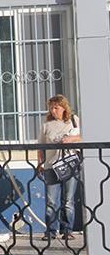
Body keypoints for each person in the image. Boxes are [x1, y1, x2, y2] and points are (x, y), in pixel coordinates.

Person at [37, 95, 81, 241]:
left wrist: (70, 139)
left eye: (56, 107)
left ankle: (67, 230)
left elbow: (84, 137)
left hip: (70, 165)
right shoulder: (46, 125)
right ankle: (51, 231)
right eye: (51, 108)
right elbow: (40, 146)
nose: (53, 110)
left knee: (68, 200)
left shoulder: (74, 121)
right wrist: (40, 163)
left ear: (64, 108)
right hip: (51, 166)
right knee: (51, 201)